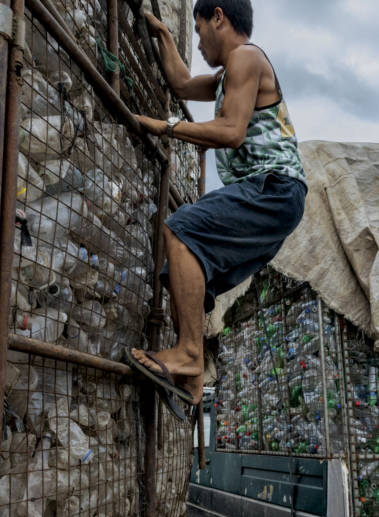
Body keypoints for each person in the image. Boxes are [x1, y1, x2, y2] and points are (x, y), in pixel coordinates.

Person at [127, 0, 307, 408]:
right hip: (272, 197)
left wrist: (165, 127)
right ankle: (191, 381)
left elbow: (230, 132)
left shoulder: (246, 58)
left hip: (274, 188)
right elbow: (184, 84)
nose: (200, 41)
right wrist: (165, 36)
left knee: (181, 227)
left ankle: (189, 353)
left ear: (219, 17)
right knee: (183, 271)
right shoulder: (228, 75)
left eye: (197, 29)